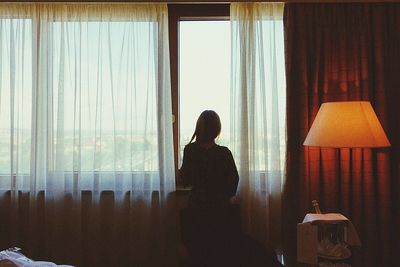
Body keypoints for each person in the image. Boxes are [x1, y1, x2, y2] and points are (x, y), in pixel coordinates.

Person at [179, 110, 240, 267]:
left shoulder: (190, 150)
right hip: (220, 209)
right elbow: (234, 181)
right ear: (217, 129)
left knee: (197, 253)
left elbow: (185, 179)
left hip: (197, 207)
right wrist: (223, 196)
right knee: (218, 252)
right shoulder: (224, 153)